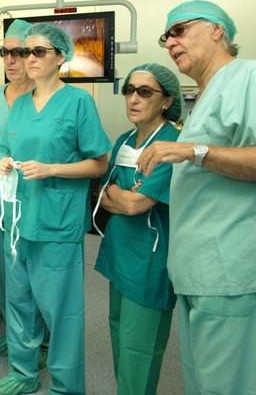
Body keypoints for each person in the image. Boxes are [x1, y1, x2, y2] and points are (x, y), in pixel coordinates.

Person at [137, 0, 256, 395]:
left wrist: (192, 150)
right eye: (166, 37)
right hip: (197, 270)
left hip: (228, 268)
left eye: (180, 30)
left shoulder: (247, 77)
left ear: (217, 30)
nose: (170, 42)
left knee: (225, 384)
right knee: (203, 381)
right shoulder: (205, 94)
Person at [0, 23, 111, 395]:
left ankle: (66, 385)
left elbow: (99, 163)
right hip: (18, 221)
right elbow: (13, 149)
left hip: (57, 222)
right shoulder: (20, 105)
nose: (28, 58)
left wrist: (53, 169)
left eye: (38, 51)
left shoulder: (77, 102)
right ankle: (23, 374)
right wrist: (6, 162)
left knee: (61, 312)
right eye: (23, 52)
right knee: (19, 302)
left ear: (61, 57)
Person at [93, 63, 183, 395]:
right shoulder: (124, 141)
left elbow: (134, 205)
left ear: (166, 100)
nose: (133, 99)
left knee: (140, 346)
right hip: (120, 252)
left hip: (149, 258)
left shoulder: (172, 143)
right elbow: (103, 194)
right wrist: (122, 195)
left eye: (144, 92)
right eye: (129, 90)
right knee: (119, 331)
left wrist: (123, 196)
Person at [0, 19, 37, 358]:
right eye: (5, 53)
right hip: (0, 201)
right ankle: (15, 334)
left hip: (31, 202)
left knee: (31, 278)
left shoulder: (44, 98)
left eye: (18, 52)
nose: (11, 60)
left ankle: (37, 339)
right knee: (7, 274)